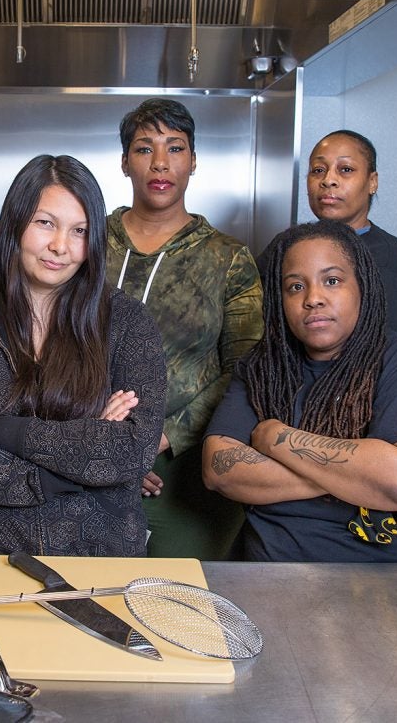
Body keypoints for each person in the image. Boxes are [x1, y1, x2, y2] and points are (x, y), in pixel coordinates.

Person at [0, 154, 166, 555]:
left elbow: (132, 452)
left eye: (79, 230)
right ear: (16, 223)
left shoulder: (127, 323)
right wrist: (81, 459)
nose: (60, 246)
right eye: (45, 223)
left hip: (102, 557)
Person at [203, 220, 397, 562]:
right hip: (276, 571)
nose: (313, 299)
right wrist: (360, 478)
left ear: (362, 287)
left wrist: (275, 436)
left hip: (396, 575)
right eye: (295, 287)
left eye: (332, 281)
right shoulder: (262, 368)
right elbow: (218, 469)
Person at [106, 98, 263, 559]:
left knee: (180, 605)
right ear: (124, 162)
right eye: (143, 148)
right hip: (85, 454)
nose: (160, 162)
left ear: (193, 161)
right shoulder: (89, 243)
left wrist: (164, 435)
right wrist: (105, 444)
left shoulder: (228, 258)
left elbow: (245, 368)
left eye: (175, 148)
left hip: (185, 469)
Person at [258, 130, 397, 333]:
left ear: (372, 182)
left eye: (346, 169)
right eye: (318, 170)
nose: (328, 180)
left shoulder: (386, 257)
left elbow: (372, 340)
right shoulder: (286, 244)